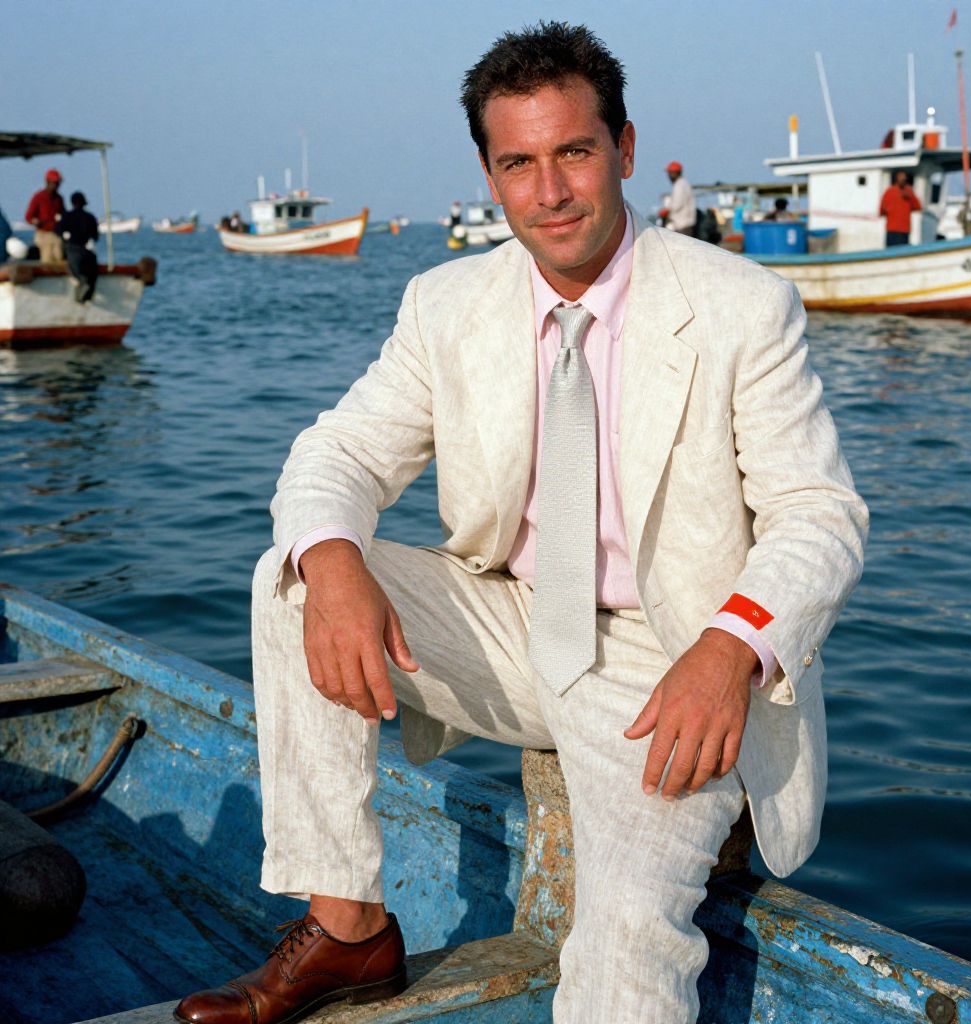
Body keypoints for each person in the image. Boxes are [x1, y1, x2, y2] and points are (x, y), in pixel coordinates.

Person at [176, 21, 867, 1024]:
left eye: (574, 152)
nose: (550, 192)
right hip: (514, 626)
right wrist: (334, 564)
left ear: (624, 149)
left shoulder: (739, 305)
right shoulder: (446, 301)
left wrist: (731, 648)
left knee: (624, 947)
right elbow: (340, 452)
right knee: (294, 577)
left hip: (672, 660)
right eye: (519, 164)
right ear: (489, 174)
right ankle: (349, 928)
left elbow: (820, 513)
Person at [57, 192, 100, 303]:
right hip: (87, 250)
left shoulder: (67, 216)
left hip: (72, 249)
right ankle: (88, 293)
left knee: (76, 271)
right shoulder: (90, 217)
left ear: (72, 203)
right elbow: (95, 237)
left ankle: (82, 287)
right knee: (92, 273)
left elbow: (58, 231)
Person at [25, 168, 66, 262]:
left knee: (59, 257)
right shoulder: (39, 197)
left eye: (58, 183)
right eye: (55, 183)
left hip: (56, 234)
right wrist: (36, 221)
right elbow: (28, 216)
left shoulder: (59, 198)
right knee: (47, 258)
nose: (57, 185)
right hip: (43, 234)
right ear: (48, 182)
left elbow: (63, 214)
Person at [879, 170, 921, 246]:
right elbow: (882, 210)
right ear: (897, 179)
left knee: (900, 249)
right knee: (893, 249)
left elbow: (918, 206)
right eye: (901, 178)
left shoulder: (908, 192)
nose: (902, 180)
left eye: (904, 178)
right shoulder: (890, 191)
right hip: (893, 229)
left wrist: (909, 198)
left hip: (904, 229)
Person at [664, 159, 696, 235]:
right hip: (685, 224)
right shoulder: (683, 183)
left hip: (682, 225)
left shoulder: (679, 185)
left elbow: (677, 205)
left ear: (674, 173)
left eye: (669, 173)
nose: (668, 176)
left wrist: (667, 211)